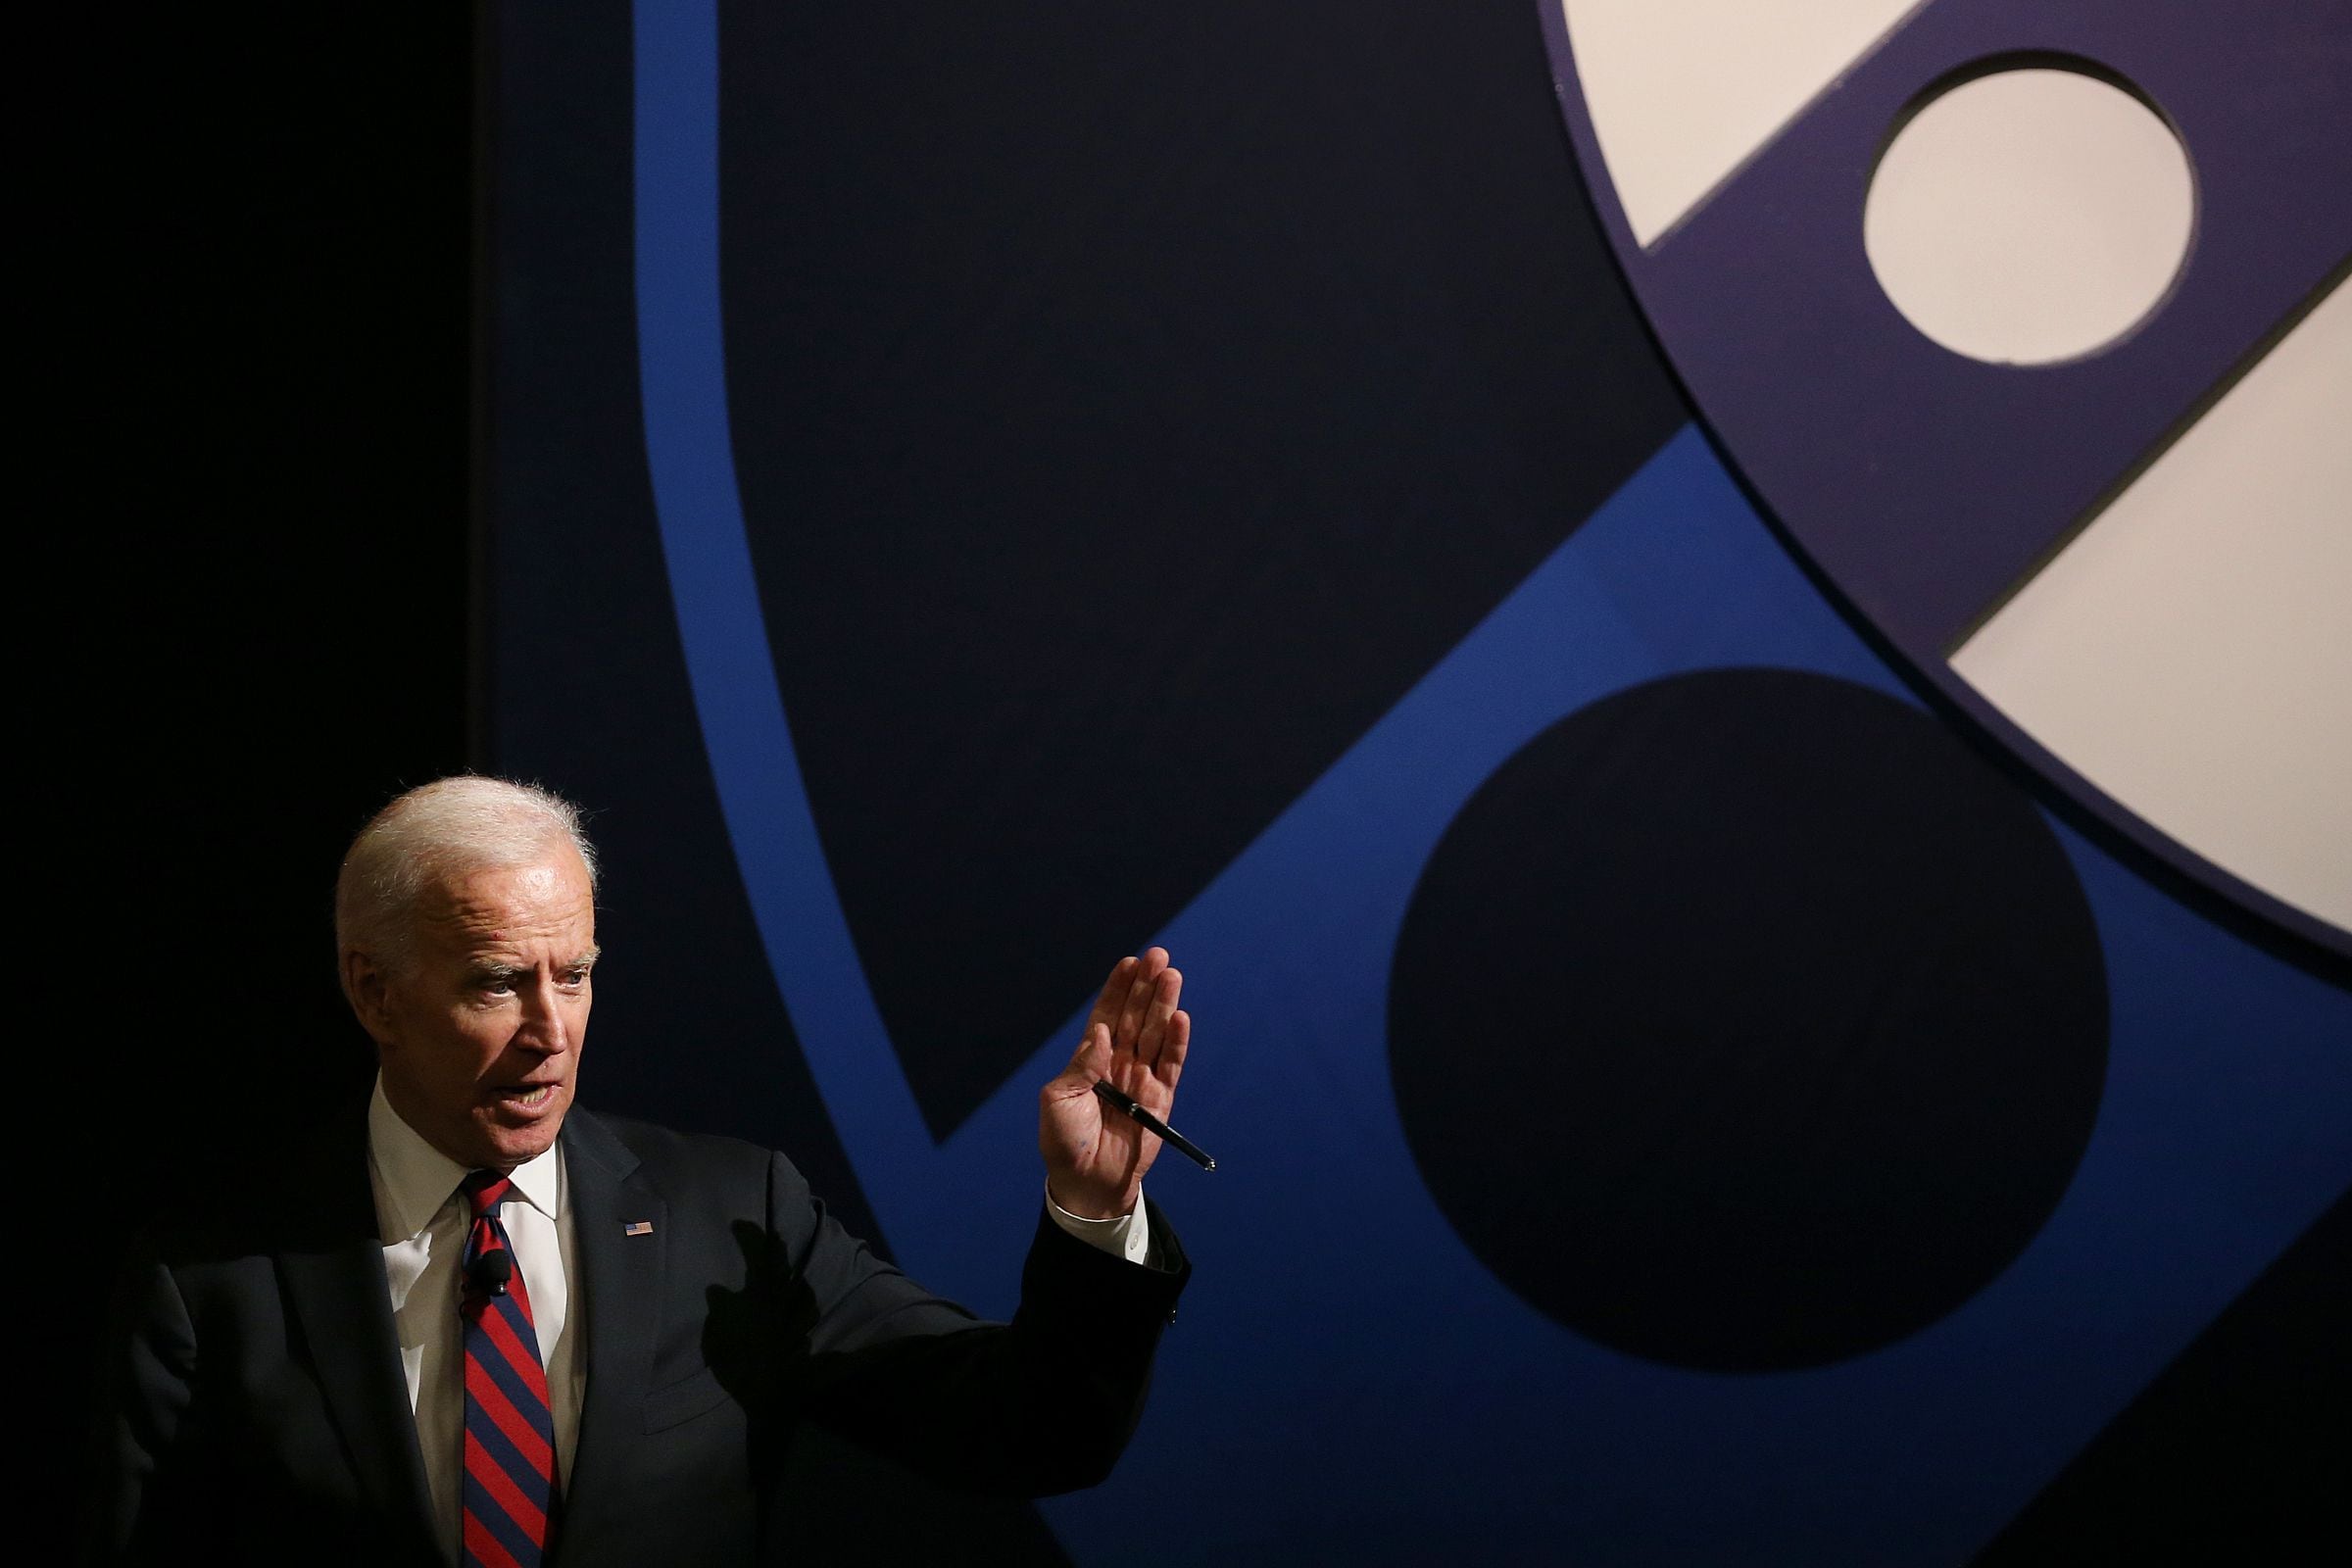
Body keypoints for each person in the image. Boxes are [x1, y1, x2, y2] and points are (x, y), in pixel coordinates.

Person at [93, 777, 1194, 1566]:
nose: (549, 1030)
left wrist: (1096, 1211)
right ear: (374, 992)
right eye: (494, 983)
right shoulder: (214, 1278)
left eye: (572, 974)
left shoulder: (731, 1212)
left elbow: (1025, 1431)